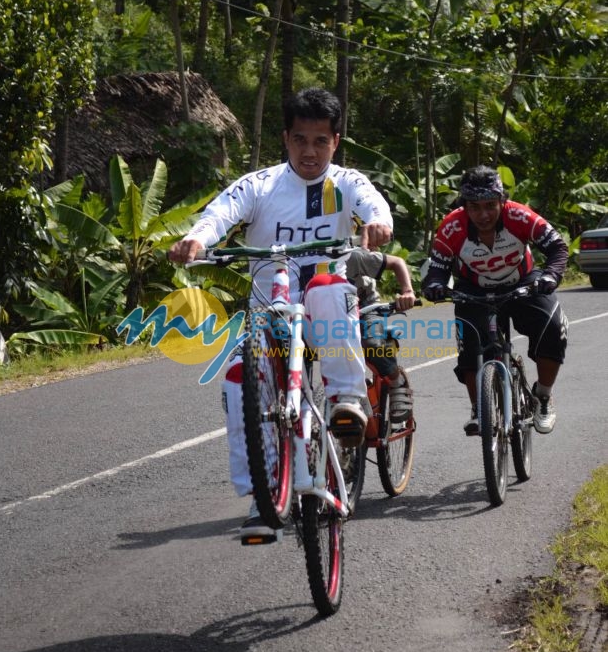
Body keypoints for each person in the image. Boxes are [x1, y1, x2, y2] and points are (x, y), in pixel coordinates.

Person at [169, 87, 393, 538]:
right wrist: (197, 239)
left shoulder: (347, 183)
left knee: (328, 287)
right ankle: (264, 497)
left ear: (336, 141)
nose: (310, 152)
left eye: (321, 141)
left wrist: (378, 223)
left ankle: (348, 402)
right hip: (270, 316)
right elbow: (218, 214)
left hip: (324, 313)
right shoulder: (260, 185)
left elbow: (375, 207)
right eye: (300, 140)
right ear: (286, 139)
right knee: (236, 381)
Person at [422, 164, 568, 436]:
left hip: (522, 281)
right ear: (464, 206)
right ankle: (480, 409)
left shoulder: (520, 217)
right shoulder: (452, 226)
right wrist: (435, 284)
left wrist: (551, 276)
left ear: (502, 201)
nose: (483, 214)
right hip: (473, 288)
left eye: (490, 205)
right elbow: (438, 267)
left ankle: (544, 396)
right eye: (474, 207)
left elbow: (558, 247)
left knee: (552, 325)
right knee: (470, 344)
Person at [345, 248, 417, 421]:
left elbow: (397, 262)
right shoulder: (300, 257)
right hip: (329, 314)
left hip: (366, 308)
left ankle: (396, 382)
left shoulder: (352, 256)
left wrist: (407, 292)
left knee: (372, 345)